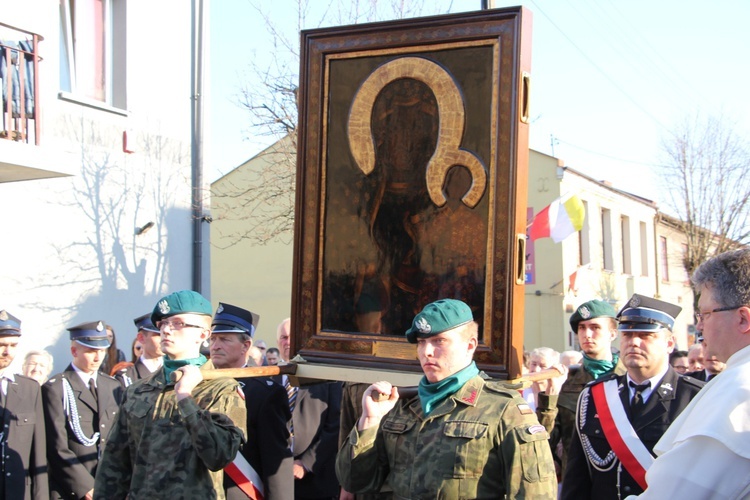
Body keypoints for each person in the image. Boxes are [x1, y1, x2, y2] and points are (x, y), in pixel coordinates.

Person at [336, 298, 557, 498]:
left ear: (470, 345)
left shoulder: (505, 410)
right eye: (421, 342)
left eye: (438, 341)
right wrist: (370, 421)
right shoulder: (399, 406)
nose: (426, 352)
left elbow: (536, 494)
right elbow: (354, 481)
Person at [93, 290, 247, 499]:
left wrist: (185, 398)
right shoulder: (138, 391)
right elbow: (114, 466)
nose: (166, 330)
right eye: (162, 324)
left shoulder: (222, 390)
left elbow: (219, 455)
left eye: (178, 323)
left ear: (203, 334)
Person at [629, 248, 750, 499]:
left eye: (705, 313)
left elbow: (677, 494)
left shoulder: (738, 389)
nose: (701, 326)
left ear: (743, 319)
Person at [561, 294, 704, 499]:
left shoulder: (694, 397)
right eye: (627, 334)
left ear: (669, 343)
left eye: (646, 335)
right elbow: (578, 477)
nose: (634, 342)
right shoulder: (594, 396)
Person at [210, 303, 293, 500]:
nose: (215, 346)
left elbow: (276, 463)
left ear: (246, 346)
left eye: (224, 339)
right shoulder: (197, 387)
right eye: (212, 339)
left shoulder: (265, 393)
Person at [535, 299, 626, 475]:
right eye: (582, 328)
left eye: (595, 327)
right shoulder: (567, 381)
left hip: (622, 478)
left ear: (613, 333)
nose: (587, 334)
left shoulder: (629, 377)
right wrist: (550, 396)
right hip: (579, 479)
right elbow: (544, 440)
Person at [43, 320, 122, 500]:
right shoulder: (56, 388)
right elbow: (56, 446)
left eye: (101, 351)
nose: (97, 357)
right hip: (73, 490)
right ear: (74, 351)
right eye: (91, 351)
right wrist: (85, 486)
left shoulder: (112, 386)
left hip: (110, 484)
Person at [275, 318, 343, 500]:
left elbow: (335, 424)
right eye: (283, 337)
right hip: (274, 477)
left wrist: (305, 463)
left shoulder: (327, 377)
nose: (288, 342)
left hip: (316, 479)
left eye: (293, 336)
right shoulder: (266, 380)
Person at [0, 310, 48, 499]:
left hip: (19, 492)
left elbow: (39, 452)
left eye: (13, 345)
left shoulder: (30, 389)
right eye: (2, 345)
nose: (7, 351)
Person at [113, 313, 164, 387]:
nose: (164, 339)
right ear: (141, 338)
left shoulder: (176, 370)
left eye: (165, 334)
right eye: (158, 335)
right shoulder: (126, 378)